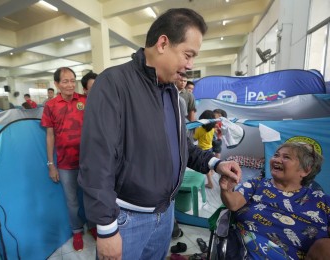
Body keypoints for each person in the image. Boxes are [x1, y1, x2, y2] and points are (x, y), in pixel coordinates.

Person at [79, 8, 242, 260]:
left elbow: (182, 147)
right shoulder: (114, 84)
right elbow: (96, 161)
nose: (190, 65)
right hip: (126, 220)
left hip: (165, 215)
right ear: (163, 43)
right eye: (188, 55)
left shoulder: (172, 94)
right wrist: (107, 229)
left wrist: (216, 163)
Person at [220, 142, 329, 259]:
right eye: (276, 155)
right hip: (246, 251)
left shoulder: (322, 201)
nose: (277, 160)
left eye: (286, 157)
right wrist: (227, 190)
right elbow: (233, 204)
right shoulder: (257, 184)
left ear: (305, 171)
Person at [40, 67, 96, 252]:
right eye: (65, 81)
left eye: (73, 80)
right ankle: (77, 231)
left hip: (88, 161)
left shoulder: (84, 101)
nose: (70, 84)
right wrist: (51, 165)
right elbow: (50, 136)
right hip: (65, 164)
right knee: (72, 201)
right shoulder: (51, 105)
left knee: (91, 197)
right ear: (56, 84)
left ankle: (94, 226)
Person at [193, 110, 216, 189]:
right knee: (209, 164)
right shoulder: (212, 129)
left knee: (204, 168)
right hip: (210, 148)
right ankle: (212, 171)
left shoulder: (199, 129)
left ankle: (210, 183)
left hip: (202, 150)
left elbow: (195, 139)